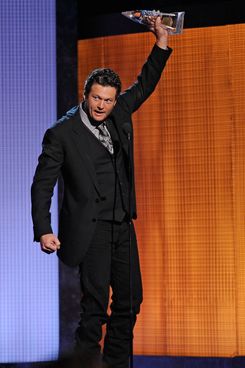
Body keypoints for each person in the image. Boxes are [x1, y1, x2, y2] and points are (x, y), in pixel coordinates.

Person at [31, 16, 172, 368]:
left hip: (121, 226)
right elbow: (42, 183)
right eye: (96, 98)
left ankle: (115, 364)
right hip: (90, 229)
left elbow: (144, 85)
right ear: (85, 94)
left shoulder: (119, 111)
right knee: (94, 309)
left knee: (129, 302)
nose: (101, 106)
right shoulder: (61, 134)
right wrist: (43, 229)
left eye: (108, 100)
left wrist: (161, 43)